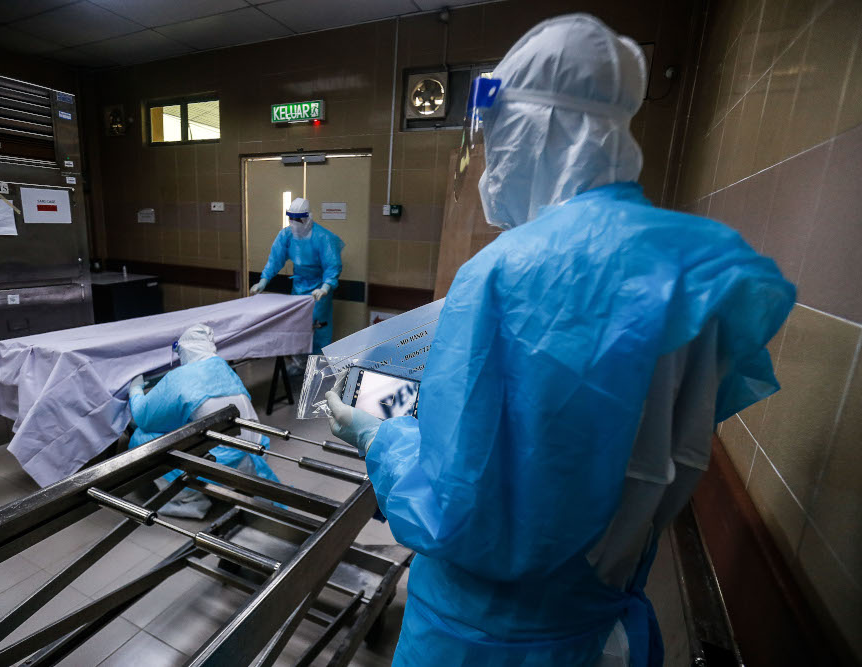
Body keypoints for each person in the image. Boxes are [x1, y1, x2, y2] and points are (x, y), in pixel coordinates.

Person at [325, 14, 795, 667]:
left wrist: (378, 436)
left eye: (500, 135)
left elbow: (452, 510)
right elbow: (627, 440)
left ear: (539, 132)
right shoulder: (705, 265)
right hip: (603, 627)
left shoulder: (499, 273)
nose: (495, 157)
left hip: (478, 636)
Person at [128, 323, 279, 519]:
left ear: (184, 349)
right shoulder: (223, 368)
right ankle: (238, 484)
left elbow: (143, 417)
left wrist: (135, 390)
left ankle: (191, 501)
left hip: (223, 464)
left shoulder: (180, 378)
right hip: (255, 455)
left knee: (142, 436)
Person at [251, 197, 344, 353]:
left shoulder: (323, 237)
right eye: (291, 218)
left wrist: (325, 288)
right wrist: (263, 281)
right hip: (298, 287)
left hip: (319, 290)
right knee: (297, 325)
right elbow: (275, 259)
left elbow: (332, 266)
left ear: (308, 218)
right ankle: (297, 363)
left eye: (298, 219)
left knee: (317, 327)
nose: (294, 223)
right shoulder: (286, 235)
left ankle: (317, 366)